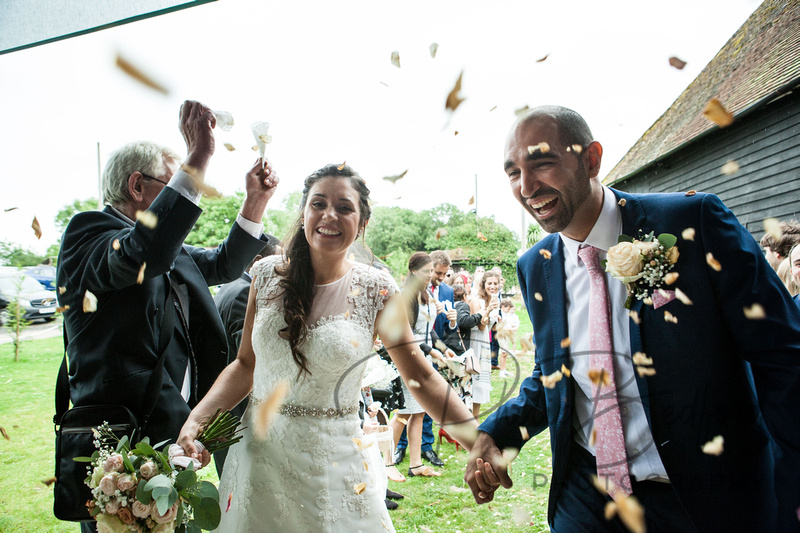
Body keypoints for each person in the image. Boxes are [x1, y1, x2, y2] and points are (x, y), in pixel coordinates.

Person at [465, 105, 800, 532]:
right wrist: (500, 430)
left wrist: (791, 493)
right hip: (587, 498)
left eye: (542, 162)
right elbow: (555, 372)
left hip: (702, 499)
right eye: (513, 172)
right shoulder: (536, 264)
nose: (526, 186)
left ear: (592, 159)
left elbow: (785, 359)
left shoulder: (691, 224)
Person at [177, 164, 477, 532]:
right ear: (304, 213)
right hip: (261, 461)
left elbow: (421, 378)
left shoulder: (377, 289)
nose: (329, 215)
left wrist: (477, 441)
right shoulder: (267, 276)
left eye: (344, 207)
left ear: (362, 221)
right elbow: (244, 365)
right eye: (318, 203)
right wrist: (197, 419)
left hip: (335, 464)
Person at [55, 100, 277, 531]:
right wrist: (198, 156)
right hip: (123, 437)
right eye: (173, 181)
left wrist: (255, 202)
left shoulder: (163, 248)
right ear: (137, 185)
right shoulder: (90, 233)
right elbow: (145, 252)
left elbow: (224, 264)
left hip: (178, 430)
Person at [212, 237, 279, 475]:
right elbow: (253, 356)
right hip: (239, 410)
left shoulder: (228, 287)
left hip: (225, 411)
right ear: (259, 262)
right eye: (277, 261)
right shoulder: (243, 293)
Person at [389, 252, 448, 478]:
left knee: (420, 413)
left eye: (431, 271)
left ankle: (416, 465)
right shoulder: (406, 296)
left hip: (425, 358)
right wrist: (430, 351)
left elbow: (428, 329)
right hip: (410, 359)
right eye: (426, 272)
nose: (430, 276)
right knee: (403, 414)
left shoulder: (425, 293)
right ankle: (385, 463)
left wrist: (441, 348)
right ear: (413, 272)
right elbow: (409, 335)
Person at [469, 270, 501, 419]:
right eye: (490, 283)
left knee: (480, 390)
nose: (493, 286)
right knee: (473, 388)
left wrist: (497, 319)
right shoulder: (477, 301)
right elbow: (480, 327)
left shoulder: (493, 301)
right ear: (484, 284)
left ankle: (475, 424)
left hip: (485, 345)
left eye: (495, 283)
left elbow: (490, 328)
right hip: (475, 344)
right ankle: (469, 426)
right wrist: (488, 310)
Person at [496, 299, 520, 378]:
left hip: (506, 334)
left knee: (505, 353)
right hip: (502, 335)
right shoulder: (498, 315)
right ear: (503, 307)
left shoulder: (507, 315)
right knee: (503, 353)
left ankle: (504, 369)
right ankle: (501, 372)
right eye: (508, 308)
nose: (509, 310)